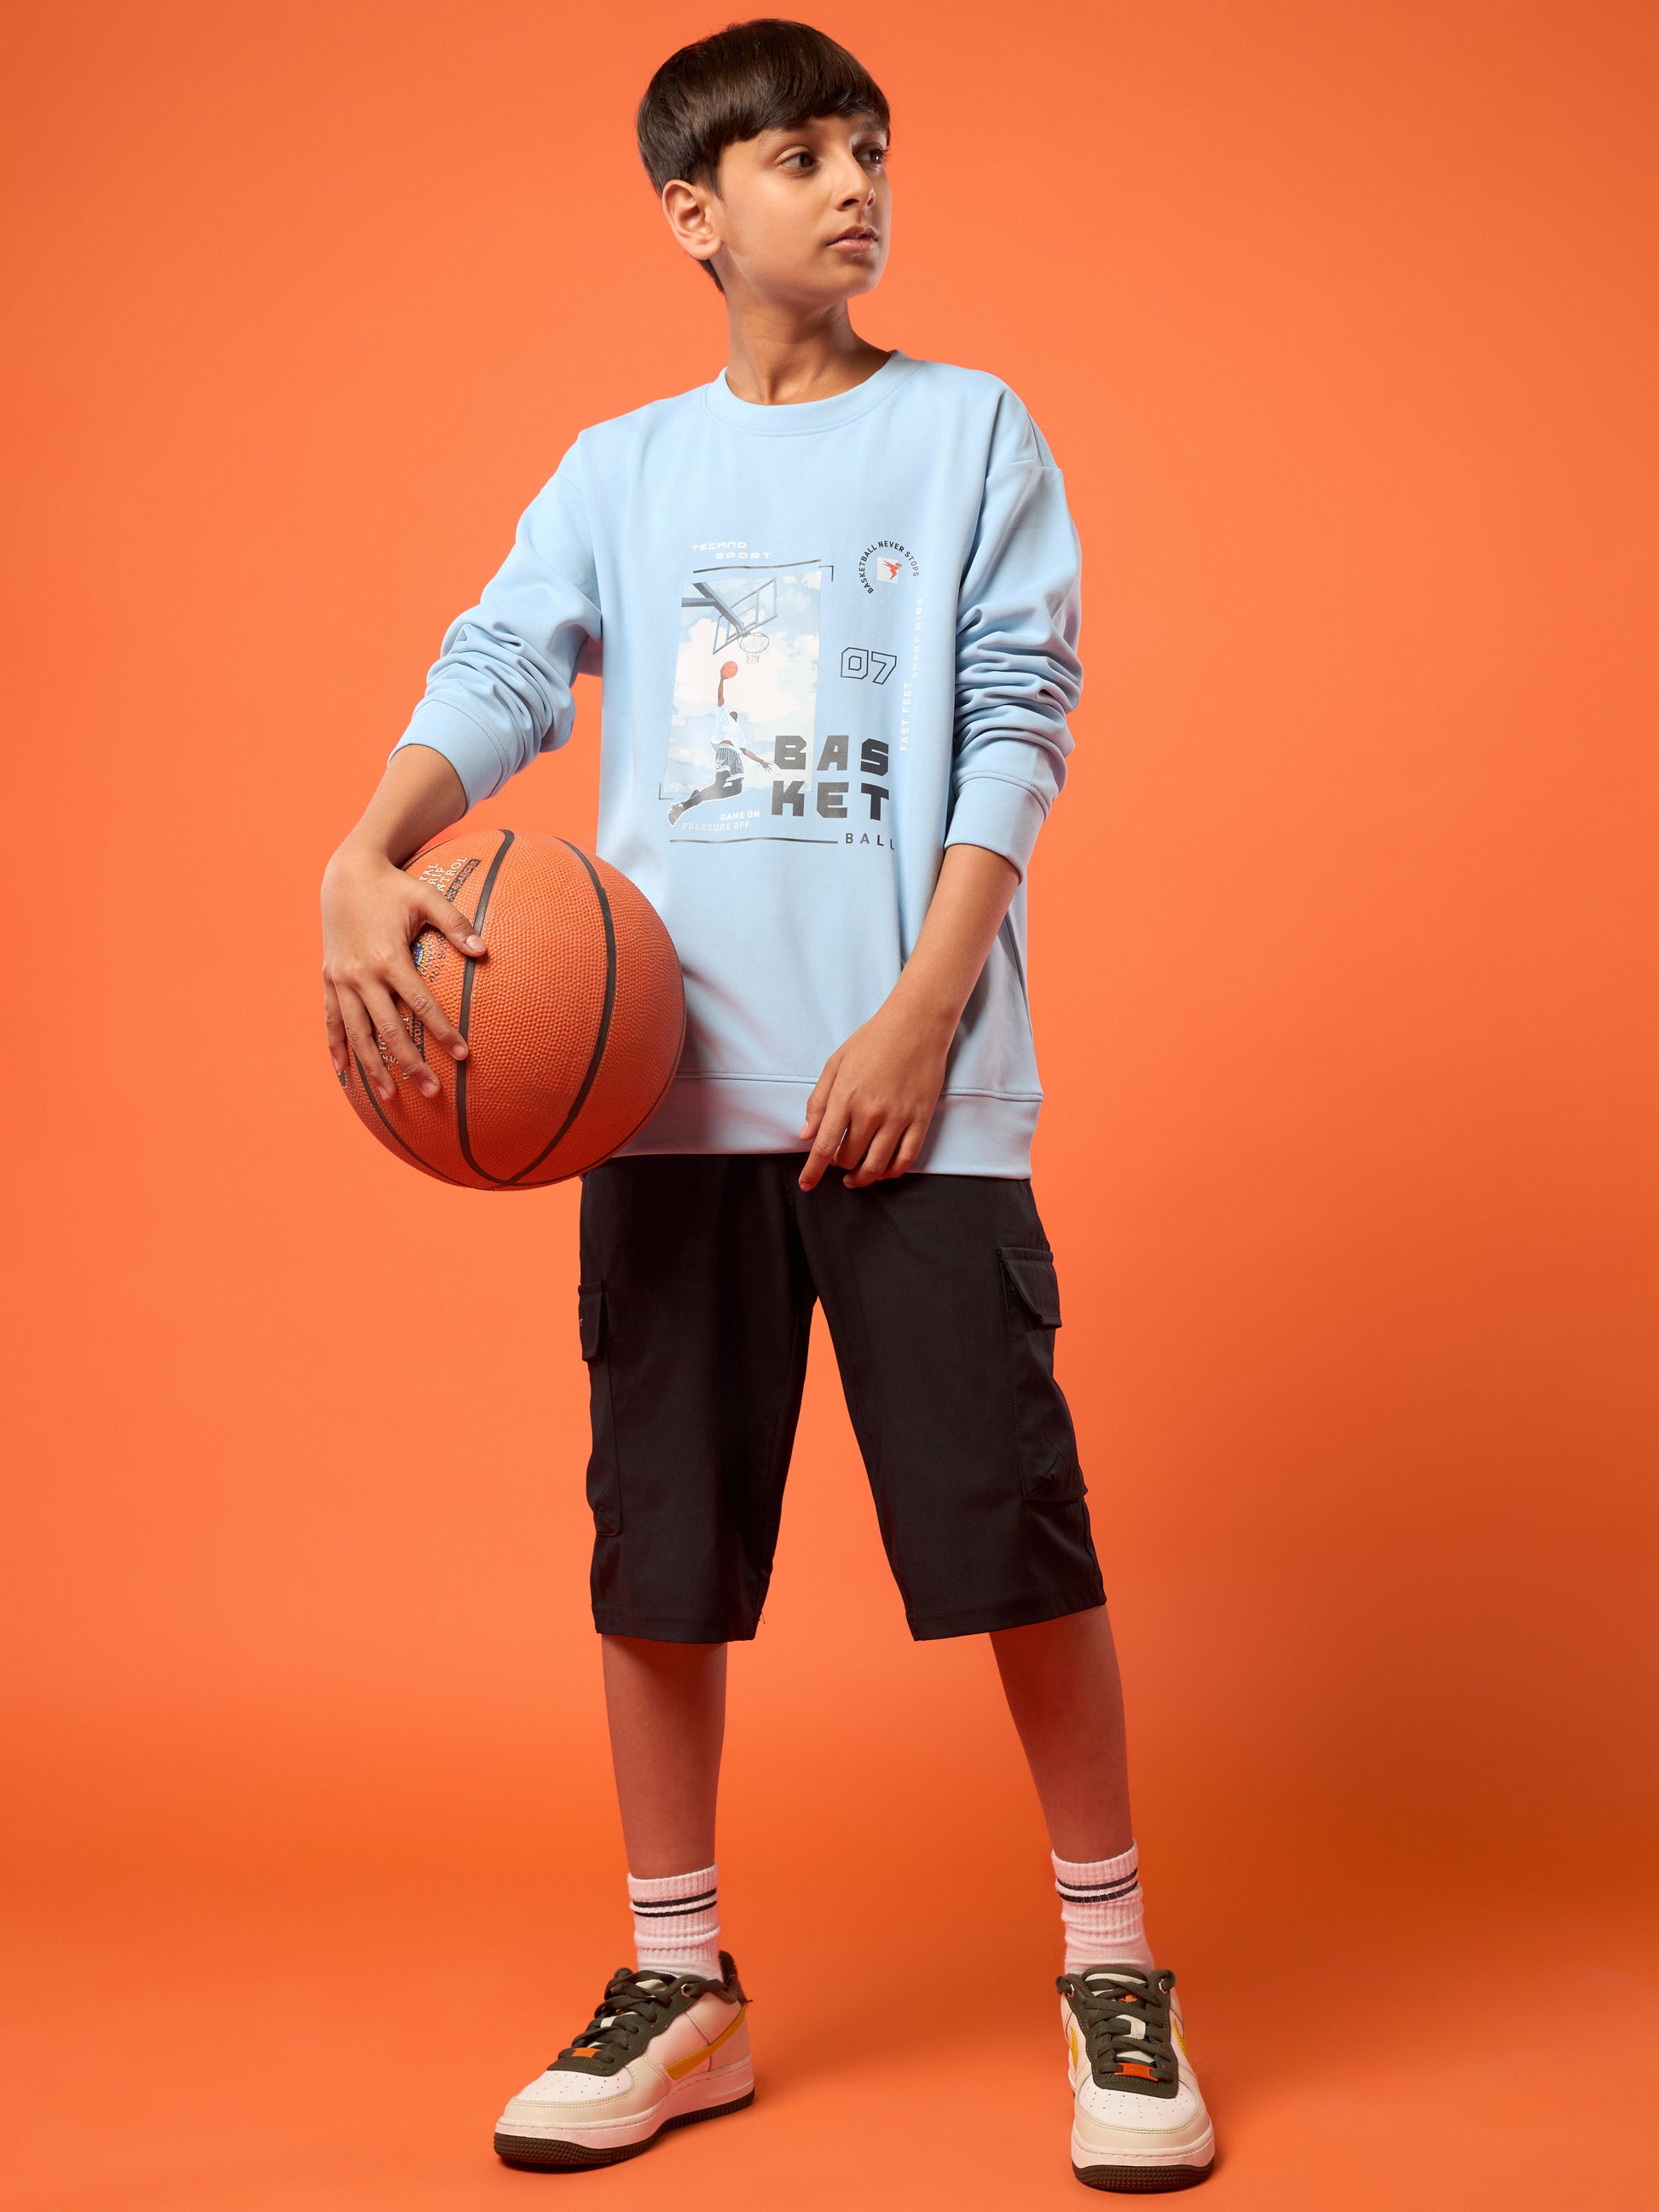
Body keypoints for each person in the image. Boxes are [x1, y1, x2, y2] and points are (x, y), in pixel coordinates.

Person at [319, 18, 1215, 2193]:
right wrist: (367, 842)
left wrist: (923, 1011)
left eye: (869, 149)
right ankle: (680, 1978)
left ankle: (1113, 1963)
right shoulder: (624, 469)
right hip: (663, 1100)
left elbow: (1017, 719)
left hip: (910, 1094)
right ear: (691, 211)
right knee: (661, 1556)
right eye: (802, 156)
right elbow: (503, 663)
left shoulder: (969, 430)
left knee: (1010, 1534)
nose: (854, 185)